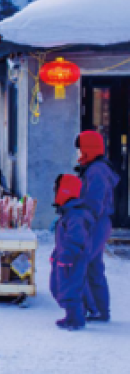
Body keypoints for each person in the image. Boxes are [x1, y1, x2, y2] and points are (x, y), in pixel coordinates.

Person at [74, 130, 118, 322]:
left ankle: (90, 308)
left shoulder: (96, 171)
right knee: (93, 266)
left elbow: (94, 202)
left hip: (95, 223)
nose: (76, 153)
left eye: (79, 149)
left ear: (88, 150)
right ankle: (100, 309)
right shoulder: (94, 168)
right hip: (97, 222)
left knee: (80, 262)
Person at [49, 174, 94, 330]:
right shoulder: (69, 212)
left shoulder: (76, 215)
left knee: (71, 287)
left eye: (57, 189)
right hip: (66, 256)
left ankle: (76, 319)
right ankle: (72, 315)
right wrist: (56, 254)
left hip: (74, 258)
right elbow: (63, 239)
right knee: (60, 285)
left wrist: (67, 254)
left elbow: (76, 238)